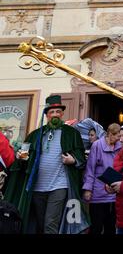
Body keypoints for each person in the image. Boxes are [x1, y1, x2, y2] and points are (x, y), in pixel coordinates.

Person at [4, 95, 87, 234]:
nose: (55, 115)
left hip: (60, 185)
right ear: (47, 115)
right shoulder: (36, 134)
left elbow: (81, 156)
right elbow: (23, 156)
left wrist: (73, 160)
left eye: (58, 112)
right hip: (38, 187)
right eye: (51, 112)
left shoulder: (71, 133)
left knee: (50, 224)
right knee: (41, 223)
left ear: (62, 114)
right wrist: (20, 157)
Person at [82, 123, 121, 234]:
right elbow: (90, 168)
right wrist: (88, 189)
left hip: (114, 193)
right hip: (98, 193)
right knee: (96, 226)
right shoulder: (97, 145)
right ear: (109, 134)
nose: (119, 139)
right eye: (117, 136)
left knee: (111, 226)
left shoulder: (120, 147)